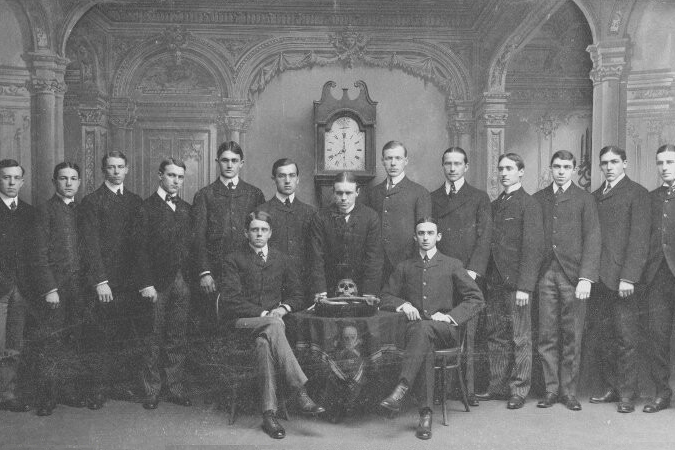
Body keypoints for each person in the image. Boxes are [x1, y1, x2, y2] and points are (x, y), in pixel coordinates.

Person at [221, 211, 325, 440]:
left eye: (263, 230)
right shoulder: (233, 259)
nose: (259, 234)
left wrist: (283, 308)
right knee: (274, 325)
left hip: (270, 329)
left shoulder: (281, 259)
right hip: (241, 323)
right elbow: (231, 299)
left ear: (271, 233)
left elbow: (298, 295)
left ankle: (269, 415)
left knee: (264, 343)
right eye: (254, 230)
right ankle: (300, 391)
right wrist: (266, 314)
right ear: (246, 232)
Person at [378, 217, 484, 440]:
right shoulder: (405, 266)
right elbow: (385, 296)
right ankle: (425, 415)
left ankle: (402, 388)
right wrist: (403, 304)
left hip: (446, 332)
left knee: (424, 330)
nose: (425, 238)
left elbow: (476, 299)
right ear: (414, 237)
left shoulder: (451, 264)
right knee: (423, 338)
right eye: (421, 233)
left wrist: (449, 317)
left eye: (430, 233)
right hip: (417, 333)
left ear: (438, 237)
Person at [532, 150, 601, 411]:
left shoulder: (585, 199)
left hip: (573, 276)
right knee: (547, 335)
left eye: (566, 167)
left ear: (573, 169)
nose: (561, 171)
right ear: (550, 168)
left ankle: (568, 391)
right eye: (557, 166)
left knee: (572, 334)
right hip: (545, 275)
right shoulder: (539, 199)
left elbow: (593, 239)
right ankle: (551, 390)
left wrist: (586, 277)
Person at [476, 153, 544, 409]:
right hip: (494, 282)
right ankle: (497, 386)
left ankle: (519, 389)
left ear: (521, 172)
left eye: (509, 168)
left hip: (517, 285)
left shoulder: (529, 204)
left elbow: (533, 248)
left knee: (520, 337)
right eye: (501, 169)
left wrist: (525, 286)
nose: (504, 173)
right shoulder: (494, 205)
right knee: (496, 335)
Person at [587, 145, 650, 413]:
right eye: (604, 163)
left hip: (623, 280)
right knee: (604, 336)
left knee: (626, 338)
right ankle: (613, 387)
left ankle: (627, 393)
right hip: (598, 278)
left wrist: (629, 277)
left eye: (614, 162)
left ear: (625, 163)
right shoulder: (594, 196)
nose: (609, 167)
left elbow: (639, 240)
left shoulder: (638, 193)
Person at [80, 151, 144, 410]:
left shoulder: (134, 201)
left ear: (127, 170)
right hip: (105, 283)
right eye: (110, 167)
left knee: (125, 336)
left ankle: (120, 387)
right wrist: (99, 281)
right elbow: (90, 245)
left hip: (128, 283)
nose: (116, 172)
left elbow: (139, 246)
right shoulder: (92, 201)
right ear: (103, 171)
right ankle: (97, 390)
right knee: (100, 337)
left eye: (120, 167)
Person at [431, 147, 492, 406]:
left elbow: (485, 236)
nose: (452, 168)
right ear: (442, 166)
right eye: (448, 163)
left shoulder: (479, 197)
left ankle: (467, 389)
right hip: (441, 275)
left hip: (469, 274)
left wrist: (473, 271)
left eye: (457, 164)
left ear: (466, 167)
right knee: (441, 327)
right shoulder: (432, 197)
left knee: (469, 333)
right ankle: (439, 389)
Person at [31, 162, 90, 416]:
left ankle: (69, 391)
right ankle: (47, 397)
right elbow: (38, 253)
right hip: (56, 288)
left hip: (80, 288)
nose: (68, 183)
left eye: (73, 178)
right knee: (51, 342)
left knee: (74, 340)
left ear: (79, 182)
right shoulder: (45, 211)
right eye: (63, 178)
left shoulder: (83, 210)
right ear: (54, 182)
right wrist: (49, 288)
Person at [134, 158, 193, 410]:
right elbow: (139, 251)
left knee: (177, 336)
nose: (175, 181)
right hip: (156, 284)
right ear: (160, 176)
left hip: (182, 281)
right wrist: (146, 283)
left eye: (180, 177)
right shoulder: (145, 208)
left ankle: (175, 388)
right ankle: (151, 390)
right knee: (153, 336)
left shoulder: (186, 208)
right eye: (171, 176)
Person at [192, 141, 265, 327]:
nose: (229, 165)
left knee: (247, 321)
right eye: (225, 160)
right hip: (216, 271)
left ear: (242, 163)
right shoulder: (205, 195)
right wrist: (204, 272)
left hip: (246, 268)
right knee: (215, 324)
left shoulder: (254, 194)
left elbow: (261, 234)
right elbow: (198, 237)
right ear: (218, 162)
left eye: (234, 160)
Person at [362, 141, 431, 283]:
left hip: (407, 265)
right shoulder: (372, 193)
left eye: (398, 158)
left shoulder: (419, 192)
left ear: (406, 161)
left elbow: (424, 234)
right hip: (377, 266)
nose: (393, 163)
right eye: (388, 158)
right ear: (382, 161)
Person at [309, 172, 383, 300]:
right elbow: (316, 257)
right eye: (339, 193)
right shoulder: (321, 217)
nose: (343, 198)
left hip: (361, 289)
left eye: (348, 193)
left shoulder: (370, 217)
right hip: (329, 288)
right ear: (333, 192)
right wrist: (320, 292)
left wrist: (369, 293)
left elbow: (373, 258)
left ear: (357, 192)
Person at [0, 159, 35, 413]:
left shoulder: (29, 213)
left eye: (15, 178)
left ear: (22, 182)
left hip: (20, 289)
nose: (11, 182)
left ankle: (7, 393)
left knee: (13, 344)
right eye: (5, 177)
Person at [643, 144, 675, 413]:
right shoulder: (651, 198)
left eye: (670, 162)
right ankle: (661, 394)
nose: (665, 167)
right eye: (660, 162)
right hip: (657, 276)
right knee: (658, 337)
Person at [257, 158, 316, 301]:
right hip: (272, 285)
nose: (287, 180)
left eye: (292, 175)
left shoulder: (311, 212)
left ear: (298, 179)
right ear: (274, 179)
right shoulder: (262, 211)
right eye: (282, 176)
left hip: (304, 284)